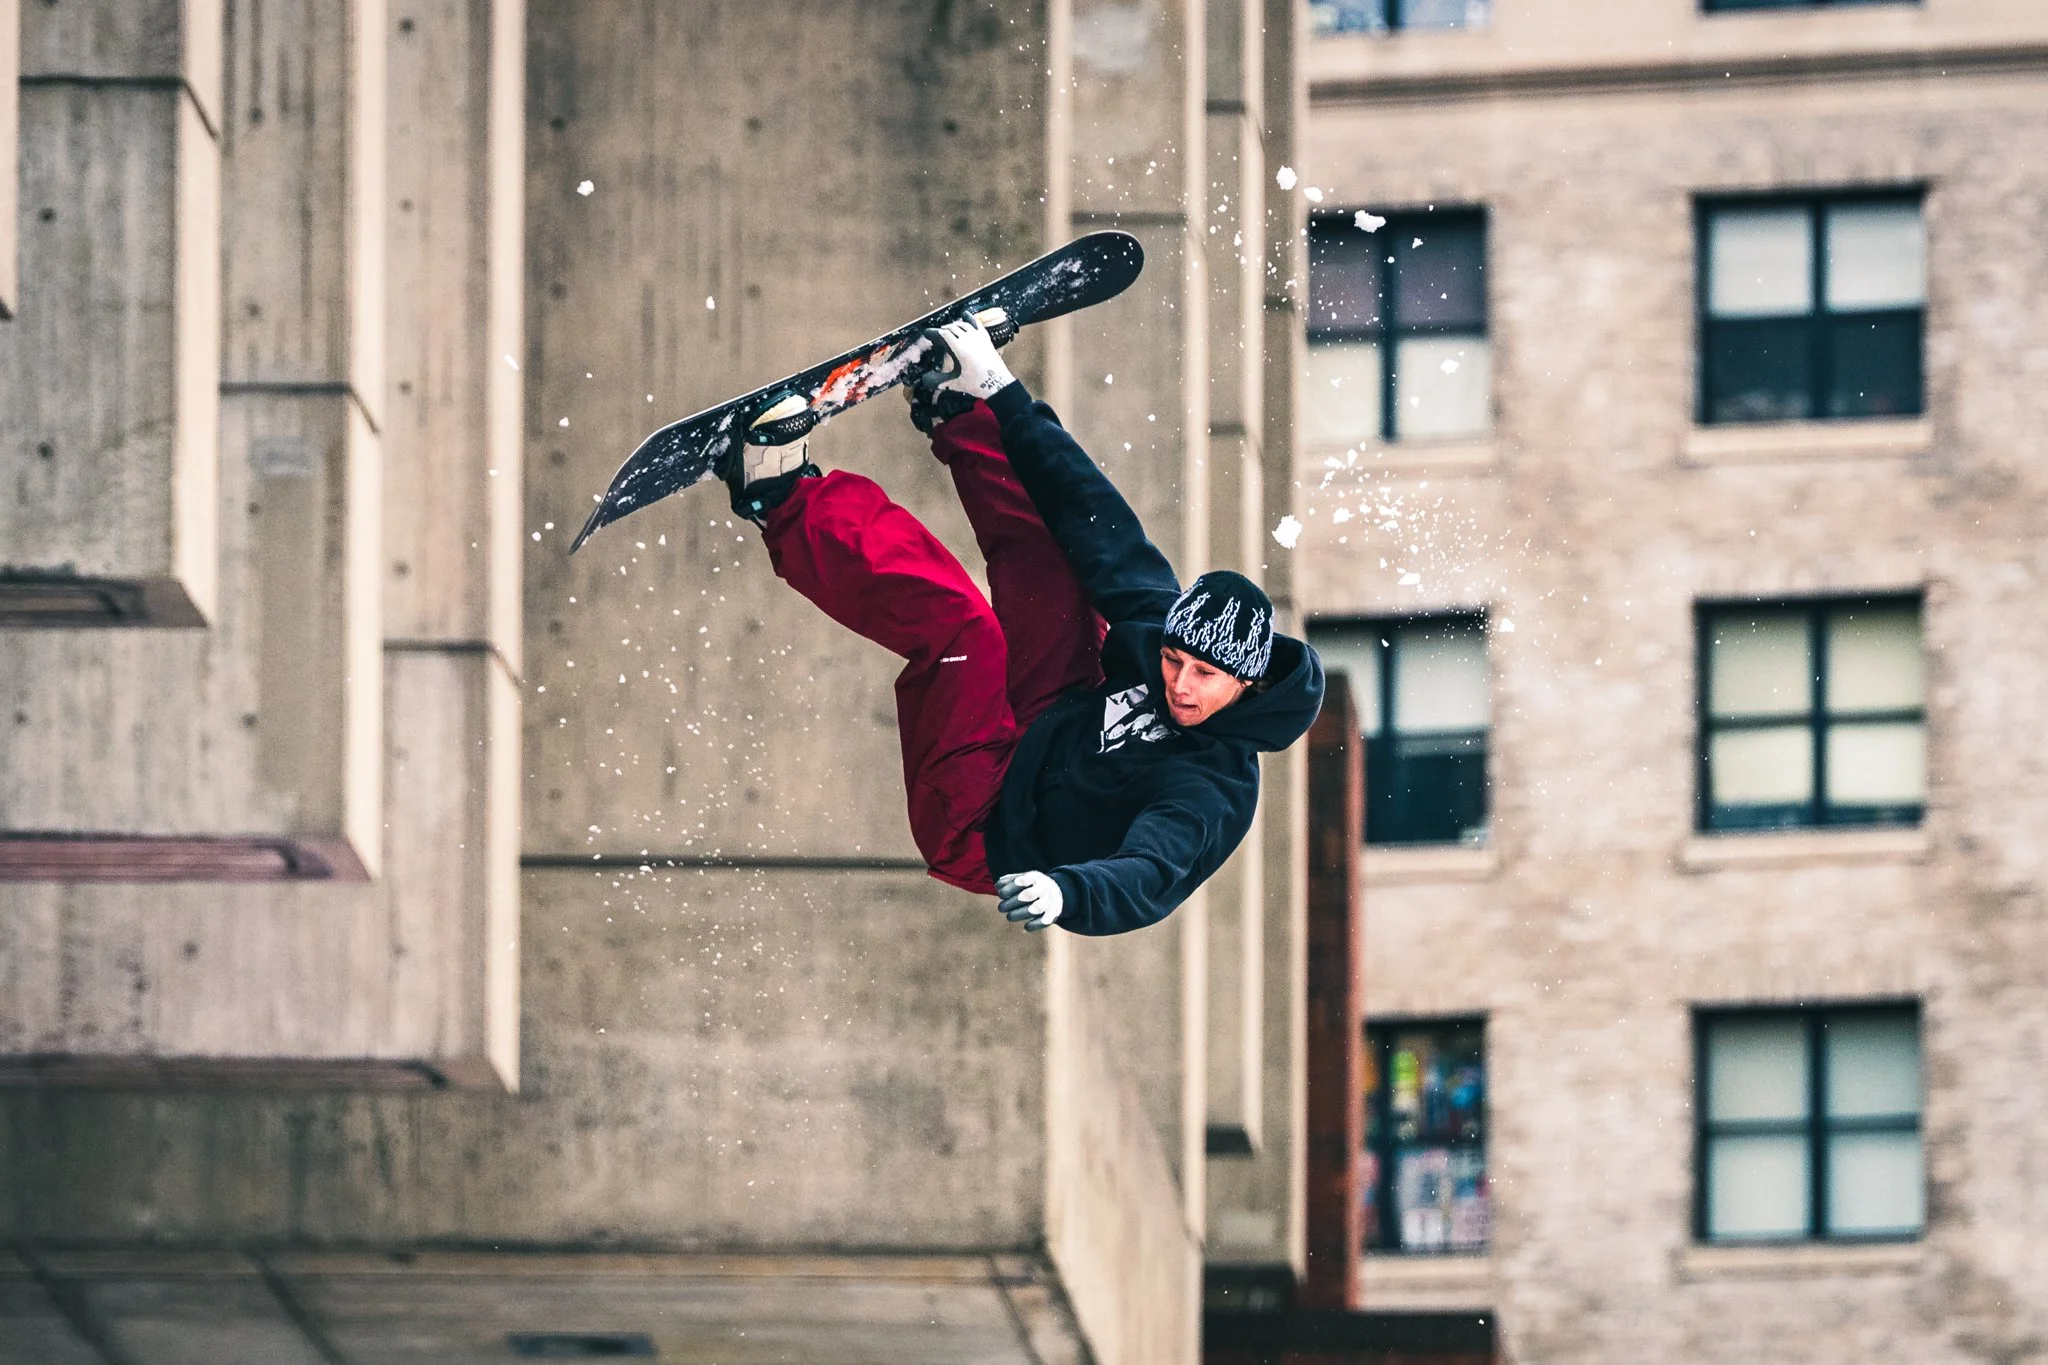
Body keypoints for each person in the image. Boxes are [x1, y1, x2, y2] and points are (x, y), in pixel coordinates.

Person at [719, 316, 1324, 935]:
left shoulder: (1212, 789)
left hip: (987, 821)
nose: (1181, 687)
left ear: (1247, 685)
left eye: (1206, 676)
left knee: (963, 630)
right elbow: (1092, 511)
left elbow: (1150, 871)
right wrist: (1004, 395)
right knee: (1059, 562)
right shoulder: (1159, 624)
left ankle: (780, 495)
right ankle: (955, 404)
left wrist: (1066, 892)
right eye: (1173, 661)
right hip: (1047, 723)